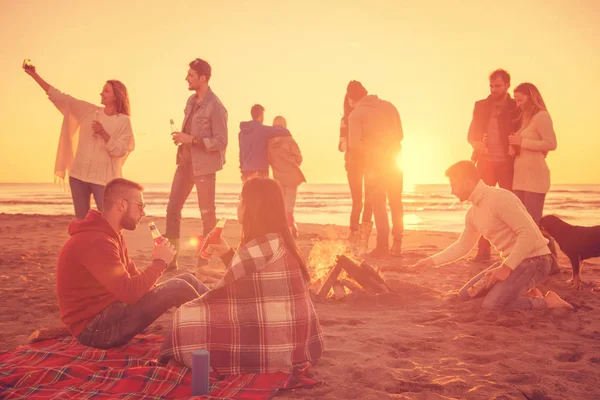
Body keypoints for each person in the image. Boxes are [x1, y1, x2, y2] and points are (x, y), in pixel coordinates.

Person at [159, 178, 324, 374]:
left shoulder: (255, 249)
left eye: (240, 199)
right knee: (189, 287)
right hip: (298, 343)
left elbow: (221, 294)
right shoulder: (280, 242)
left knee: (184, 316)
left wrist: (190, 309)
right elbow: (254, 282)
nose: (238, 204)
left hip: (274, 348)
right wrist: (227, 253)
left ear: (250, 207)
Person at [56, 178, 209, 349]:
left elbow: (135, 281)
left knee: (187, 279)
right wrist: (159, 263)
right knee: (178, 287)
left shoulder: (112, 236)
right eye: (140, 206)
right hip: (94, 329)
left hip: (110, 312)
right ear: (121, 205)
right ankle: (219, 331)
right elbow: (130, 293)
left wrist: (158, 264)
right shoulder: (96, 240)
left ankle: (224, 311)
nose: (143, 213)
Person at [413, 161, 573, 311]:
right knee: (465, 295)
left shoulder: (500, 198)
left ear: (466, 182)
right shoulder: (473, 213)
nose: (452, 191)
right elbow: (462, 246)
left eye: (453, 185)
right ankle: (527, 292)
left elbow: (529, 235)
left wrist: (506, 268)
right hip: (512, 262)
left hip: (536, 260)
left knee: (493, 305)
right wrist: (430, 262)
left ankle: (548, 302)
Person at [23, 62, 135, 220]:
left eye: (106, 91)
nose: (101, 93)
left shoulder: (123, 121)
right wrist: (34, 75)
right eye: (103, 90)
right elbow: (59, 97)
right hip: (78, 176)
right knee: (82, 222)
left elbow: (120, 150)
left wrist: (103, 133)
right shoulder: (88, 111)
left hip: (104, 180)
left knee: (109, 221)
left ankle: (110, 246)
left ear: (117, 96)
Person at [165, 58, 228, 270]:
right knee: (172, 209)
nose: (187, 78)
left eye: (191, 75)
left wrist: (191, 139)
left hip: (204, 168)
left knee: (207, 215)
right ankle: (170, 260)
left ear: (203, 78)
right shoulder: (191, 101)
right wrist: (182, 139)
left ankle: (203, 262)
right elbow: (189, 133)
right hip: (184, 164)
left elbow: (221, 141)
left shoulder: (216, 107)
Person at [467, 69, 519, 262]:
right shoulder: (480, 105)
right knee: (482, 206)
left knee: (510, 207)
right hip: (485, 162)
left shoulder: (515, 106)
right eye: (491, 86)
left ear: (507, 85)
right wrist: (476, 143)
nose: (494, 89)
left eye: (498, 85)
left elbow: (522, 131)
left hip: (508, 163)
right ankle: (483, 251)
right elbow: (471, 133)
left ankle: (514, 250)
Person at [347, 81, 403, 257]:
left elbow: (354, 145)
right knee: (396, 203)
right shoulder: (389, 106)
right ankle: (398, 244)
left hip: (374, 165)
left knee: (379, 205)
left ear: (351, 98)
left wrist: (371, 150)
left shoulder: (356, 114)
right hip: (394, 161)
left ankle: (382, 245)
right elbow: (400, 134)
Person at [509, 83, 557, 225]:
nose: (517, 104)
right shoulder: (525, 119)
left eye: (520, 100)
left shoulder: (542, 116)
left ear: (531, 97)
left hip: (535, 179)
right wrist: (513, 148)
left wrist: (522, 142)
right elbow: (524, 144)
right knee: (521, 222)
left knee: (532, 224)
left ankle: (542, 247)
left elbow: (551, 144)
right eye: (515, 100)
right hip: (520, 179)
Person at [339, 94, 373, 253]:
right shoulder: (358, 118)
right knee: (364, 201)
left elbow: (342, 146)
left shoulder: (350, 118)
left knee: (362, 200)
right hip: (363, 162)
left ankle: (358, 238)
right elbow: (342, 145)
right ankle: (359, 240)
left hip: (360, 162)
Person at [268, 115, 306, 237]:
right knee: (290, 204)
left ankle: (284, 228)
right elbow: (299, 157)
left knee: (281, 203)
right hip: (291, 175)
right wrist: (293, 163)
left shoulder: (268, 142)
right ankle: (291, 227)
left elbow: (269, 159)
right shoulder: (289, 140)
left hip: (277, 176)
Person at [238, 104, 291, 181]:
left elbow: (241, 152)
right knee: (262, 192)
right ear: (261, 115)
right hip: (261, 169)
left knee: (249, 193)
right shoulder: (263, 130)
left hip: (246, 169)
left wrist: (242, 168)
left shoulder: (242, 133)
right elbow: (283, 131)